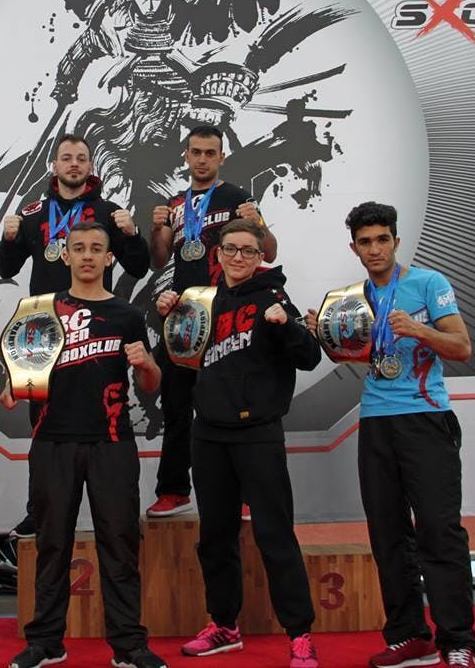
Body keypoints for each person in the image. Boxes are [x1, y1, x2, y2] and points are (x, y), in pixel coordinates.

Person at [306, 201, 475, 668]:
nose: (375, 249)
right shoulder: (352, 297)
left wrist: (419, 330)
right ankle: (409, 636)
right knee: (387, 534)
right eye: (365, 242)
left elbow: (461, 347)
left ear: (396, 241)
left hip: (425, 417)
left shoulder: (429, 283)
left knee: (439, 531)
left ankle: (458, 641)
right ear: (355, 249)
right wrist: (325, 333)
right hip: (376, 420)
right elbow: (357, 355)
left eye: (382, 239)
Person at [2, 221, 167, 668]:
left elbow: (151, 385)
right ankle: (45, 643)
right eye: (79, 248)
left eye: (97, 248)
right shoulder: (39, 309)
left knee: (120, 543)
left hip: (111, 443)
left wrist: (146, 364)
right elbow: (20, 373)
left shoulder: (127, 314)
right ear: (66, 255)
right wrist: (11, 386)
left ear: (110, 258)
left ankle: (129, 645)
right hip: (52, 441)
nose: (88, 255)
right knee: (52, 544)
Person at [157, 218, 321, 667]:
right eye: (231, 249)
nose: (238, 257)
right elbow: (175, 358)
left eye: (248, 250)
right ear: (218, 253)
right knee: (215, 537)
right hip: (208, 433)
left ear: (260, 256)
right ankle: (224, 626)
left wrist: (287, 326)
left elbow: (309, 357)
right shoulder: (201, 302)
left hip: (258, 434)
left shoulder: (274, 298)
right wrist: (169, 316)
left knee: (274, 535)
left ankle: (300, 635)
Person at [0, 133, 150, 538]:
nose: (74, 164)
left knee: (104, 409)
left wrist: (132, 233)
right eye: (67, 158)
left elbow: (139, 265)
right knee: (43, 422)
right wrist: (8, 239)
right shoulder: (33, 212)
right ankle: (39, 511)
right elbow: (6, 268)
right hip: (44, 327)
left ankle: (115, 513)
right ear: (55, 165)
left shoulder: (109, 212)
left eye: (81, 158)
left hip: (97, 323)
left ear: (91, 165)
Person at [146, 125, 277, 518]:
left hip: (228, 312)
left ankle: (243, 492)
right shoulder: (175, 203)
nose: (202, 159)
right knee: (176, 405)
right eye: (196, 152)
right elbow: (159, 259)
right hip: (184, 317)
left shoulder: (237, 197)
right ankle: (174, 490)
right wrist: (156, 229)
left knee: (231, 403)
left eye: (210, 152)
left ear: (222, 157)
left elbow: (269, 252)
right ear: (185, 156)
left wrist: (259, 222)